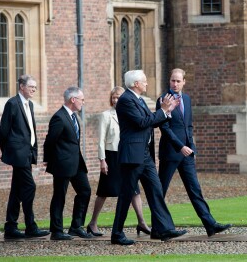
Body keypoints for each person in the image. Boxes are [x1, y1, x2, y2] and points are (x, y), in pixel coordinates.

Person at [111, 69, 187, 246]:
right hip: (132, 155)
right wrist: (163, 110)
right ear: (136, 84)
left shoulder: (139, 100)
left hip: (144, 154)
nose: (147, 83)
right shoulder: (126, 101)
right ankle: (117, 233)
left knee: (156, 189)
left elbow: (151, 121)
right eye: (144, 81)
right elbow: (142, 122)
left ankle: (164, 228)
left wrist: (167, 112)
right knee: (126, 194)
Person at [156, 68, 232, 237]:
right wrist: (179, 146)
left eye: (178, 81)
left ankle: (210, 224)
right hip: (171, 152)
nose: (174, 84)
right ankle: (157, 228)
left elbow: (188, 126)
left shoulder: (187, 99)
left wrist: (191, 147)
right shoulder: (163, 100)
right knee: (160, 191)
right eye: (172, 80)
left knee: (195, 189)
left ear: (184, 82)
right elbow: (165, 128)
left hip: (187, 153)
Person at [87, 86, 150, 237]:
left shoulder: (130, 113)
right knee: (104, 191)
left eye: (119, 97)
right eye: (114, 97)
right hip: (112, 157)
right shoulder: (105, 115)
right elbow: (101, 140)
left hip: (127, 155)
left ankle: (142, 223)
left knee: (134, 190)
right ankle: (92, 223)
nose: (116, 100)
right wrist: (102, 160)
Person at [0, 74, 49, 239]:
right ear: (21, 86)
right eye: (31, 86)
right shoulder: (12, 103)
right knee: (29, 187)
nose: (34, 89)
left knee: (17, 190)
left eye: (35, 87)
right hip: (17, 154)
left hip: (27, 153)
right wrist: (7, 151)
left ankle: (10, 227)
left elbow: (30, 130)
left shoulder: (30, 105)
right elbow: (3, 130)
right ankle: (30, 227)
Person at [44, 86, 92, 240]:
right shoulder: (59, 117)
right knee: (59, 196)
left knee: (85, 191)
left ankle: (76, 226)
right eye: (81, 99)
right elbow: (50, 141)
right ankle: (56, 231)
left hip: (77, 163)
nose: (83, 102)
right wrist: (48, 160)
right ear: (73, 100)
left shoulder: (73, 116)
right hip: (62, 164)